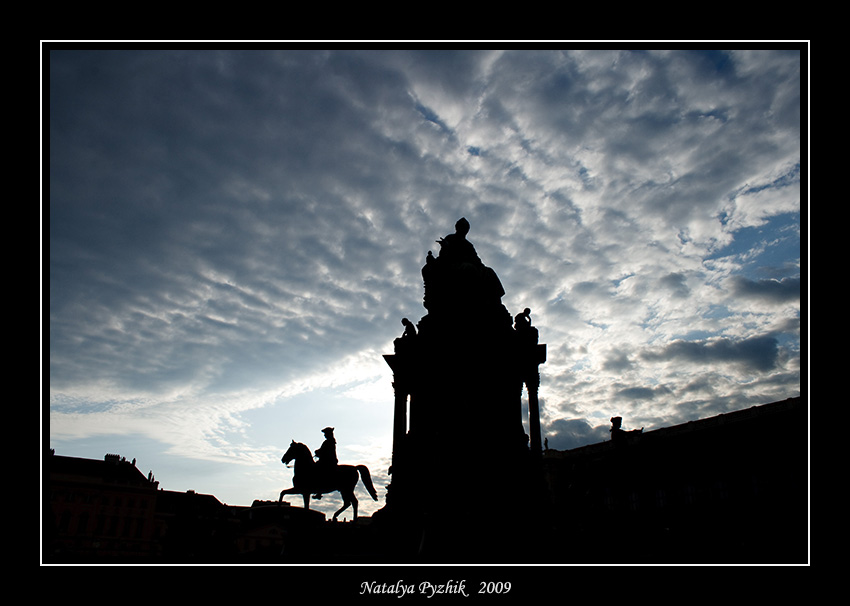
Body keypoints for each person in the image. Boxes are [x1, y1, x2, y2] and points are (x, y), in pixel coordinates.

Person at [313, 427, 338, 499]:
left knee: (317, 471)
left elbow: (325, 452)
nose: (324, 435)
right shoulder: (330, 441)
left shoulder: (328, 442)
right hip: (328, 461)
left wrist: (318, 452)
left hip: (328, 461)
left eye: (325, 434)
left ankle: (318, 492)